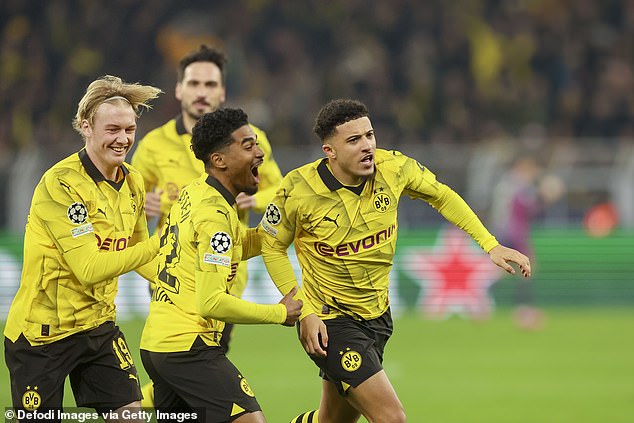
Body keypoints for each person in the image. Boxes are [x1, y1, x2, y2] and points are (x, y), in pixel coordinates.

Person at [259, 99, 532, 423]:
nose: (367, 146)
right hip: (331, 322)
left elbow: (441, 195)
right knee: (391, 417)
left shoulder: (394, 168)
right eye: (354, 140)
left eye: (369, 135)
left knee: (332, 421)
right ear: (329, 151)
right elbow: (272, 246)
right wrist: (303, 310)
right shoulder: (298, 189)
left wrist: (490, 245)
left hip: (378, 316)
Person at [3, 75, 162, 422]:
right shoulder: (60, 184)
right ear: (86, 127)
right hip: (42, 335)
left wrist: (175, 277)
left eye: (130, 129)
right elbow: (89, 268)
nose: (123, 139)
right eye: (113, 130)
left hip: (98, 328)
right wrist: (161, 246)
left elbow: (136, 251)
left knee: (131, 416)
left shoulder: (133, 181)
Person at [139, 107, 302, 423]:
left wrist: (280, 228)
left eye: (257, 144)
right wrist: (279, 313)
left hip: (158, 343)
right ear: (219, 160)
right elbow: (211, 301)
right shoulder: (215, 217)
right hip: (186, 346)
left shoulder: (196, 192)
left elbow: (236, 244)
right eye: (248, 146)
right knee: (250, 419)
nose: (259, 154)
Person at [130, 44, 283, 346]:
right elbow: (128, 201)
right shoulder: (153, 144)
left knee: (190, 369)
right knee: (189, 366)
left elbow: (279, 188)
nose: (202, 92)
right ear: (179, 89)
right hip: (169, 271)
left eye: (210, 84)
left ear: (222, 92)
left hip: (225, 270)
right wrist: (142, 208)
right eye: (194, 83)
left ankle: (142, 397)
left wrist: (256, 199)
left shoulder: (251, 138)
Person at [489, 156, 563, 330]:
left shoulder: (507, 183)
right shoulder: (518, 185)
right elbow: (524, 208)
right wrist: (545, 198)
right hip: (514, 231)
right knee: (528, 266)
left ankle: (484, 298)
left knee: (503, 271)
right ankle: (524, 311)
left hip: (505, 230)